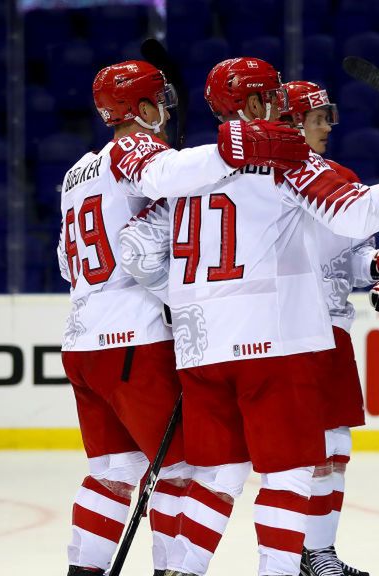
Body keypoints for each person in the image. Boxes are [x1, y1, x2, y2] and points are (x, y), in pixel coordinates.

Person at [119, 57, 379, 576]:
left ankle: (179, 571)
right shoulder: (285, 157)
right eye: (275, 95)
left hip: (200, 349)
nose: (283, 104)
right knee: (288, 476)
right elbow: (352, 212)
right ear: (260, 102)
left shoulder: (187, 166)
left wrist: (188, 302)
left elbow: (140, 252)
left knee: (217, 476)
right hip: (273, 347)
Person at [61, 59, 305, 576]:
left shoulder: (75, 172)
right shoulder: (136, 148)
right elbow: (164, 172)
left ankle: (82, 572)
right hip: (135, 339)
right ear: (143, 108)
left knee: (112, 471)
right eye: (160, 101)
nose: (167, 112)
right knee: (182, 473)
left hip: (82, 340)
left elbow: (66, 261)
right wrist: (232, 148)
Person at [277, 79, 379, 576]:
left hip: (332, 327)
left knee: (336, 445)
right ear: (290, 121)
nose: (328, 126)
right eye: (318, 117)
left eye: (330, 116)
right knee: (293, 451)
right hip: (283, 329)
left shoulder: (338, 176)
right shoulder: (265, 177)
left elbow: (350, 257)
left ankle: (318, 552)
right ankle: (284, 555)